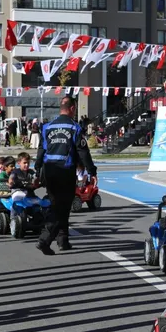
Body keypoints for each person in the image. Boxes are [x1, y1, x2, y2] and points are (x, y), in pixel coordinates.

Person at [35, 96, 97, 255]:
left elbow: (41, 150)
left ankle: (63, 240)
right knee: (61, 208)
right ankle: (45, 239)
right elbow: (83, 152)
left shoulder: (47, 127)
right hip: (65, 170)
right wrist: (91, 171)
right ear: (72, 108)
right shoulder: (74, 128)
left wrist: (37, 169)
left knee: (57, 204)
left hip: (49, 170)